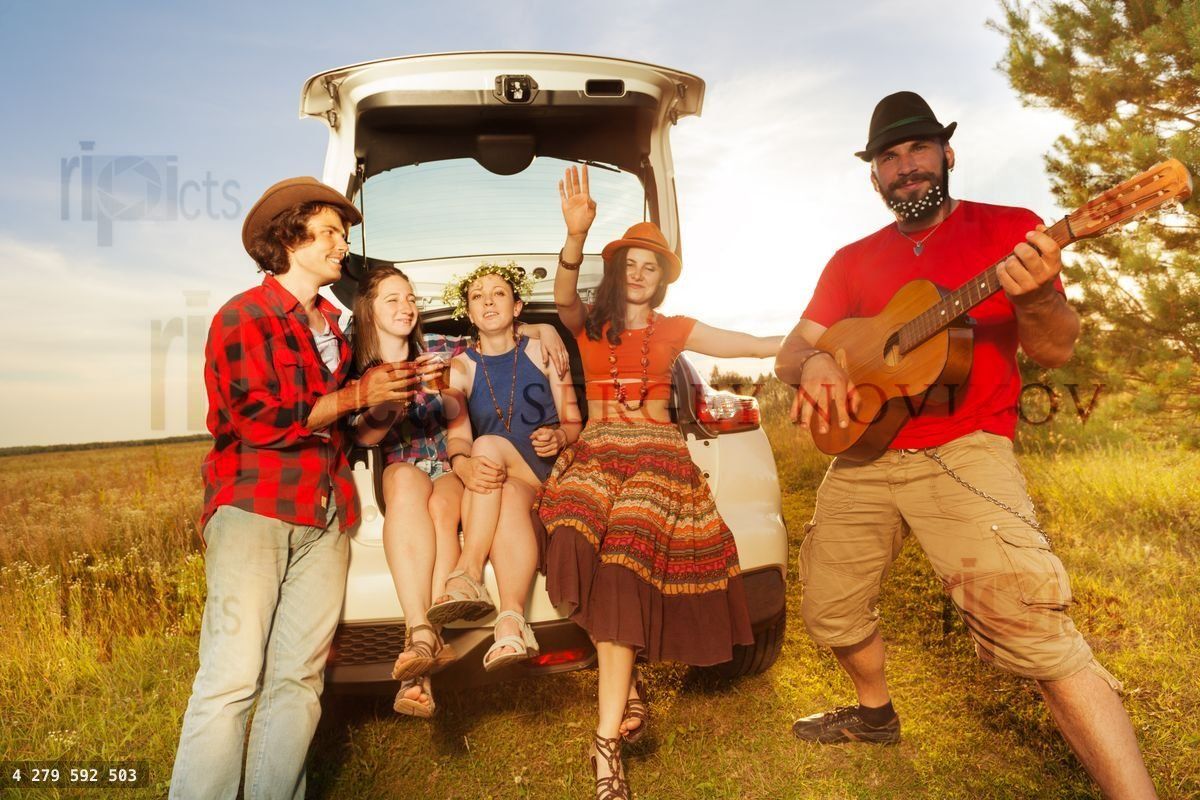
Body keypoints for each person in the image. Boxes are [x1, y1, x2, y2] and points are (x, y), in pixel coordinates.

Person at [776, 91, 1157, 799]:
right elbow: (789, 354)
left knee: (1029, 626)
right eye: (890, 157)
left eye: (919, 149)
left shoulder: (1011, 231)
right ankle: (874, 715)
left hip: (964, 448)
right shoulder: (851, 261)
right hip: (862, 456)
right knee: (829, 606)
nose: (906, 167)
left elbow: (1055, 349)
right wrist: (819, 362)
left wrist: (1038, 297)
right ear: (875, 177)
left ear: (947, 155)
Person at [170, 177, 421, 800]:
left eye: (343, 232)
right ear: (289, 237)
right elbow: (260, 419)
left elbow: (343, 429)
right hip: (256, 505)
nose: (342, 243)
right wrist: (357, 394)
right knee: (230, 680)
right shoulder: (244, 315)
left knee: (300, 681)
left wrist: (382, 406)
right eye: (330, 231)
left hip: (327, 512)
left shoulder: (334, 325)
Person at [538, 165, 783, 800]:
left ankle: (604, 745)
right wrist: (574, 236)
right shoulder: (588, 325)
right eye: (631, 263)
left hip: (657, 460)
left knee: (622, 565)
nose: (640, 272)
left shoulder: (676, 329)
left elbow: (752, 344)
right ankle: (630, 683)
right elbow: (563, 294)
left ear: (661, 276)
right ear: (616, 272)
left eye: (652, 264)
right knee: (568, 540)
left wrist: (816, 342)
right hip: (593, 457)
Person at [350, 265, 569, 717]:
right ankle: (421, 632)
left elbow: (495, 332)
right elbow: (364, 439)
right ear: (368, 313)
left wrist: (541, 325)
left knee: (441, 507)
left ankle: (423, 653)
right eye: (392, 300)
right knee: (402, 482)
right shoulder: (359, 369)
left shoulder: (442, 348)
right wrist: (394, 397)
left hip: (453, 468)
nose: (406, 306)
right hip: (405, 464)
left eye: (410, 298)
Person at [426, 263, 582, 674]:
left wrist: (561, 437)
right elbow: (456, 438)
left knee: (487, 444)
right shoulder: (459, 368)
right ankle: (511, 623)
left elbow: (574, 423)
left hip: (549, 467)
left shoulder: (543, 350)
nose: (488, 301)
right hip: (502, 480)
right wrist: (462, 466)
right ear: (470, 314)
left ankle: (468, 571)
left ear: (517, 307)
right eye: (477, 296)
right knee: (506, 493)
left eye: (497, 293)